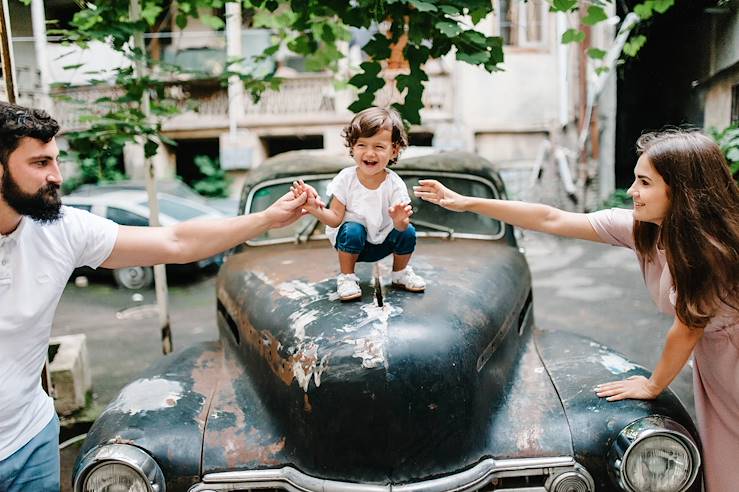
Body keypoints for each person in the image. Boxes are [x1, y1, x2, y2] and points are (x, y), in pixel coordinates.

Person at [0, 101, 309, 491]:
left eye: (56, 161)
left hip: (32, 440)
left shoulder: (62, 228)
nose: (57, 176)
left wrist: (266, 219)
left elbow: (174, 241)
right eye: (40, 164)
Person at [414, 129, 739, 491]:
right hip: (714, 359)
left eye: (644, 182)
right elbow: (552, 219)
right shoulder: (647, 229)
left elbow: (686, 330)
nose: (632, 191)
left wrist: (653, 384)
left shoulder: (709, 252)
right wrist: (468, 204)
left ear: (682, 190)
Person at [292, 106, 425, 301]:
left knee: (409, 231)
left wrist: (400, 221)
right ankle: (347, 277)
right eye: (362, 145)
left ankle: (400, 273)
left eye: (379, 146)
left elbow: (401, 227)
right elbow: (335, 219)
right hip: (351, 244)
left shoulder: (394, 183)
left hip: (383, 242)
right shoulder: (346, 179)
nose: (369, 153)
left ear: (394, 151)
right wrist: (314, 208)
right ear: (352, 147)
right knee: (353, 229)